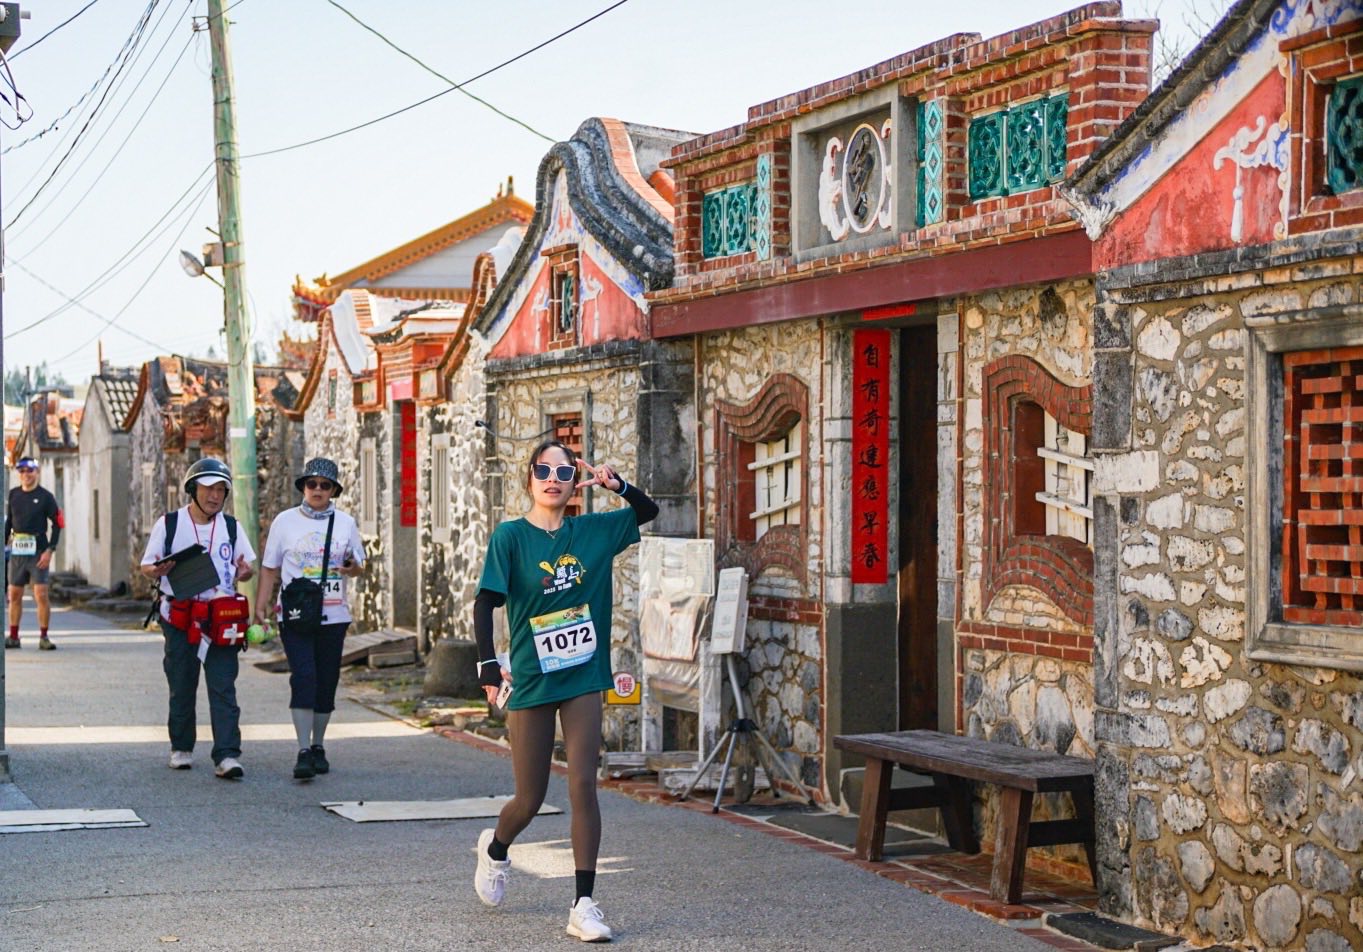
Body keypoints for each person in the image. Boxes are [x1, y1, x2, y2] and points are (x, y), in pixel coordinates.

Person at [471, 439, 658, 943]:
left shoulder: (593, 532)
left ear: (576, 483)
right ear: (529, 478)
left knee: (582, 786)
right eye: (542, 469)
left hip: (582, 677)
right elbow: (485, 602)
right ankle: (495, 848)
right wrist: (489, 666)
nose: (552, 478)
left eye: (563, 471)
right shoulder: (511, 538)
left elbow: (648, 511)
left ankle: (584, 904)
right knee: (529, 799)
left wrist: (617, 485)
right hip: (533, 678)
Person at [139, 457, 256, 778]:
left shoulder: (232, 527)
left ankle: (228, 755)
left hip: (220, 617)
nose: (215, 496)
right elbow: (146, 565)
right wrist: (158, 569)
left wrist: (246, 571)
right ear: (193, 489)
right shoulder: (170, 524)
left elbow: (245, 568)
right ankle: (181, 747)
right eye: (208, 489)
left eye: (221, 490)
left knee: (223, 686)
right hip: (181, 615)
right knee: (181, 682)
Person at [252, 458, 365, 781]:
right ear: (303, 486)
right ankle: (303, 748)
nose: (317, 490)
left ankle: (318, 745)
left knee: (326, 680)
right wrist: (259, 608)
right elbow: (270, 568)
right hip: (296, 615)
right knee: (303, 676)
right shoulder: (284, 522)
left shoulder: (345, 523)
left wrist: (351, 568)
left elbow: (359, 565)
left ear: (333, 491)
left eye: (325, 485)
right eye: (312, 484)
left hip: (334, 614)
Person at [5, 456, 64, 650]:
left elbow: (58, 524)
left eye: (29, 470)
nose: (25, 474)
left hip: (39, 550)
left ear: (36, 472)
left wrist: (50, 550)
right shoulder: (13, 495)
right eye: (21, 471)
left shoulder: (46, 497)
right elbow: (8, 523)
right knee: (14, 594)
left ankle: (44, 636)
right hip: (17, 550)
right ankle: (13, 636)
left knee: (41, 594)